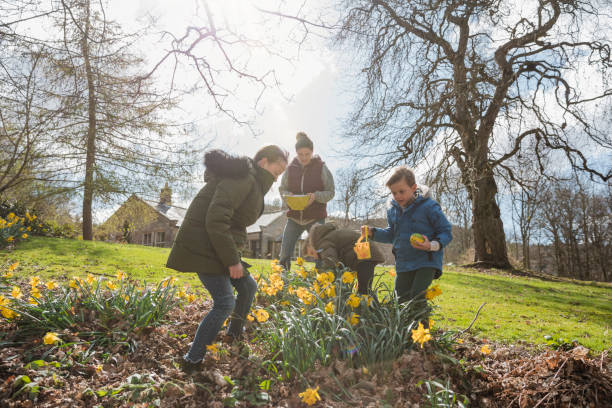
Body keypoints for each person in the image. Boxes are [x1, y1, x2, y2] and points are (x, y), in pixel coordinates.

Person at [166, 146, 288, 373]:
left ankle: (233, 335)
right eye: (277, 169)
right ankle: (192, 360)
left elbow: (230, 222)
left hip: (218, 247)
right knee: (225, 302)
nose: (277, 177)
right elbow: (216, 219)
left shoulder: (252, 182)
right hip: (204, 247)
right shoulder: (244, 178)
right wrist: (233, 261)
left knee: (248, 287)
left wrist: (234, 257)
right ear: (263, 162)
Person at [361, 167, 452, 303]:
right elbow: (392, 235)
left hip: (426, 262)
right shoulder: (393, 211)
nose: (397, 196)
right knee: (401, 300)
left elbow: (446, 231)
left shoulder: (429, 206)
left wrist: (431, 245)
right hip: (403, 263)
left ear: (414, 187)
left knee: (417, 297)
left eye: (402, 191)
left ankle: (423, 324)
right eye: (394, 193)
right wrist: (373, 233)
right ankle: (405, 324)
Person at [278, 132, 335, 271]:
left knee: (319, 253)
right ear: (296, 153)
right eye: (300, 154)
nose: (304, 157)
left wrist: (315, 196)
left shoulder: (321, 168)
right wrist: (287, 195)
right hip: (294, 218)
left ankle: (321, 282)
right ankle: (281, 284)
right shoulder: (290, 169)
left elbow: (330, 192)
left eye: (307, 154)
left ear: (312, 152)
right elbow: (282, 189)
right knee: (285, 253)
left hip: (316, 218)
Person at [303, 223, 386, 296]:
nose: (314, 257)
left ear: (311, 243)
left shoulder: (323, 243)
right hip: (365, 255)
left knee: (364, 291)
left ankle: (371, 310)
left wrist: (322, 277)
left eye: (311, 253)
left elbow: (331, 261)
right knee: (364, 289)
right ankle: (371, 309)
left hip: (364, 257)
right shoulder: (330, 236)